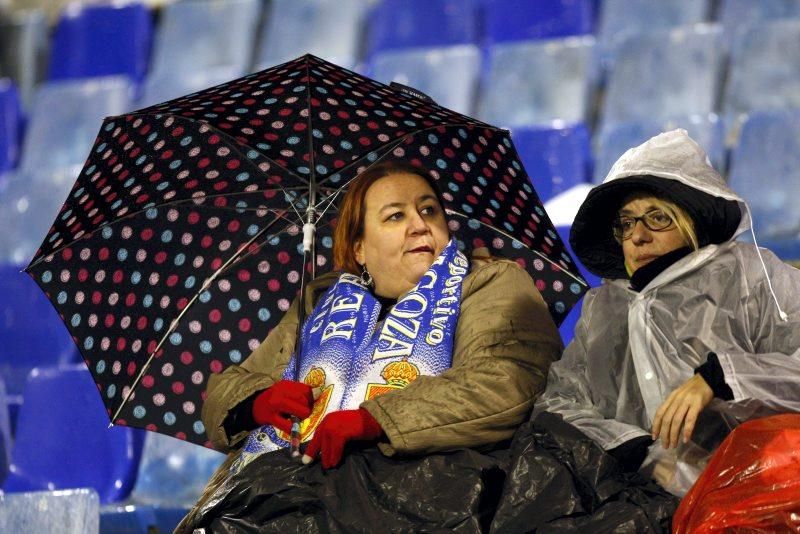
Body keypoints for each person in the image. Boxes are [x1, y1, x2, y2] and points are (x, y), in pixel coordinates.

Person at [179, 160, 562, 529]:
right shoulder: (318, 300)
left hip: (421, 507)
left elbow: (507, 382)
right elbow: (222, 392)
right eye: (396, 216)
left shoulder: (489, 283)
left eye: (429, 210)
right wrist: (257, 401)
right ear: (359, 247)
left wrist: (376, 419)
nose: (419, 225)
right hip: (290, 500)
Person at [534, 129, 800, 496]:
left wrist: (720, 376)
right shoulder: (605, 309)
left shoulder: (749, 274)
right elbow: (559, 404)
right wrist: (633, 448)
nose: (637, 236)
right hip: (642, 499)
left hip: (763, 488)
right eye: (626, 223)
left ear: (692, 221)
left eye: (657, 218)